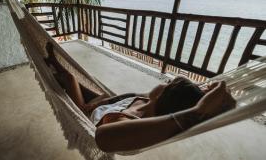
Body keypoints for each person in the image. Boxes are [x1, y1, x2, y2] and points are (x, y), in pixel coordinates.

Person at [44, 42, 236, 152]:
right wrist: (207, 93)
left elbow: (103, 138)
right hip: (101, 105)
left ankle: (54, 66)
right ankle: (55, 72)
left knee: (70, 78)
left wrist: (199, 111)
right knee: (88, 81)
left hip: (85, 114)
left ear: (164, 96)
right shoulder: (147, 99)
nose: (164, 82)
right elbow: (116, 99)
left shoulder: (133, 121)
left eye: (168, 84)